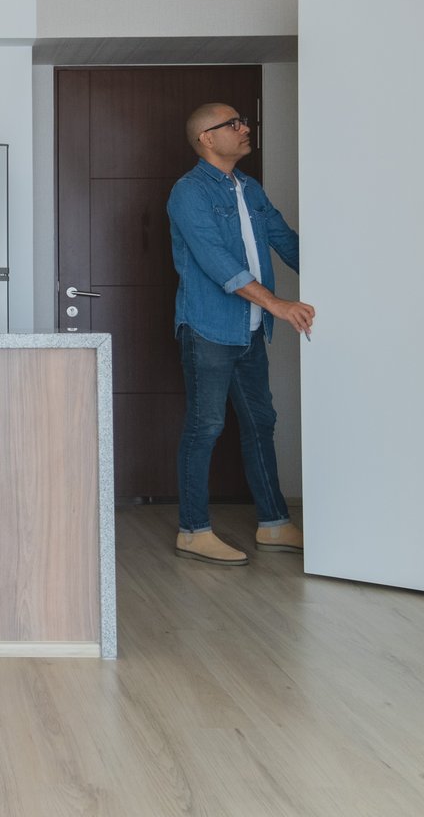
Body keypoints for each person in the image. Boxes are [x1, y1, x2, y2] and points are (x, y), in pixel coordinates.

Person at [165, 103, 314, 566]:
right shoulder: (188, 192)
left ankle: (274, 524)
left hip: (250, 328)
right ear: (207, 138)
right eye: (233, 124)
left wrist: (344, 281)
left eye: (243, 121)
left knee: (260, 423)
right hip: (209, 327)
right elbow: (217, 263)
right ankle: (193, 530)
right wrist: (278, 304)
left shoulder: (249, 188)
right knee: (206, 426)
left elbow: (286, 241)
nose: (244, 128)